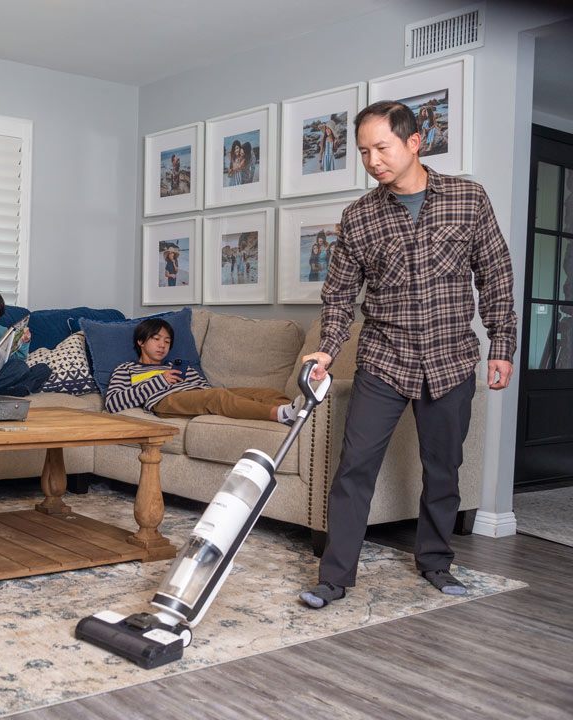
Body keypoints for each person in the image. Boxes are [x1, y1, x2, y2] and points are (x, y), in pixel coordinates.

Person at [299, 100, 517, 608]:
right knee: (354, 467)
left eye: (382, 147)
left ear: (414, 142)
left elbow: (496, 275)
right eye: (363, 151)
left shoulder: (468, 199)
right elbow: (338, 297)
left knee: (443, 468)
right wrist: (327, 350)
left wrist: (501, 343)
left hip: (450, 358)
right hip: (384, 359)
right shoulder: (358, 218)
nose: (373, 160)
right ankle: (335, 577)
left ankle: (436, 562)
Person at [105, 318, 304, 425]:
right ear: (141, 341)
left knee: (264, 393)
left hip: (196, 395)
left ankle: (302, 416)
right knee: (217, 396)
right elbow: (113, 403)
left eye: (167, 341)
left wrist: (185, 379)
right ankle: (280, 415)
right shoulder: (127, 369)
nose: (162, 345)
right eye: (156, 339)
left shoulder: (177, 366)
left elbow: (203, 388)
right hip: (164, 400)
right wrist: (161, 381)